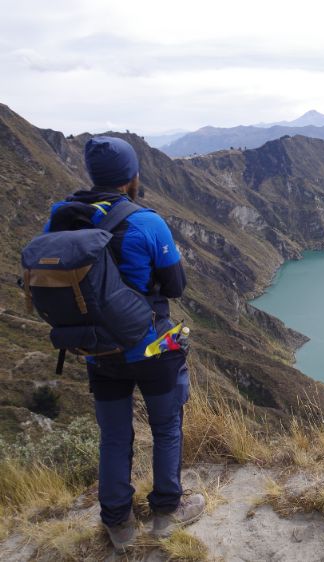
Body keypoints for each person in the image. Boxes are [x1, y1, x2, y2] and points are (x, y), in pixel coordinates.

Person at [44, 136, 204, 552]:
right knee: (166, 426)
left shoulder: (62, 219)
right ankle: (167, 513)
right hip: (151, 347)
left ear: (92, 175)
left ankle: (118, 522)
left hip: (98, 348)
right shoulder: (146, 221)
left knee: (114, 436)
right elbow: (176, 285)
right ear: (133, 177)